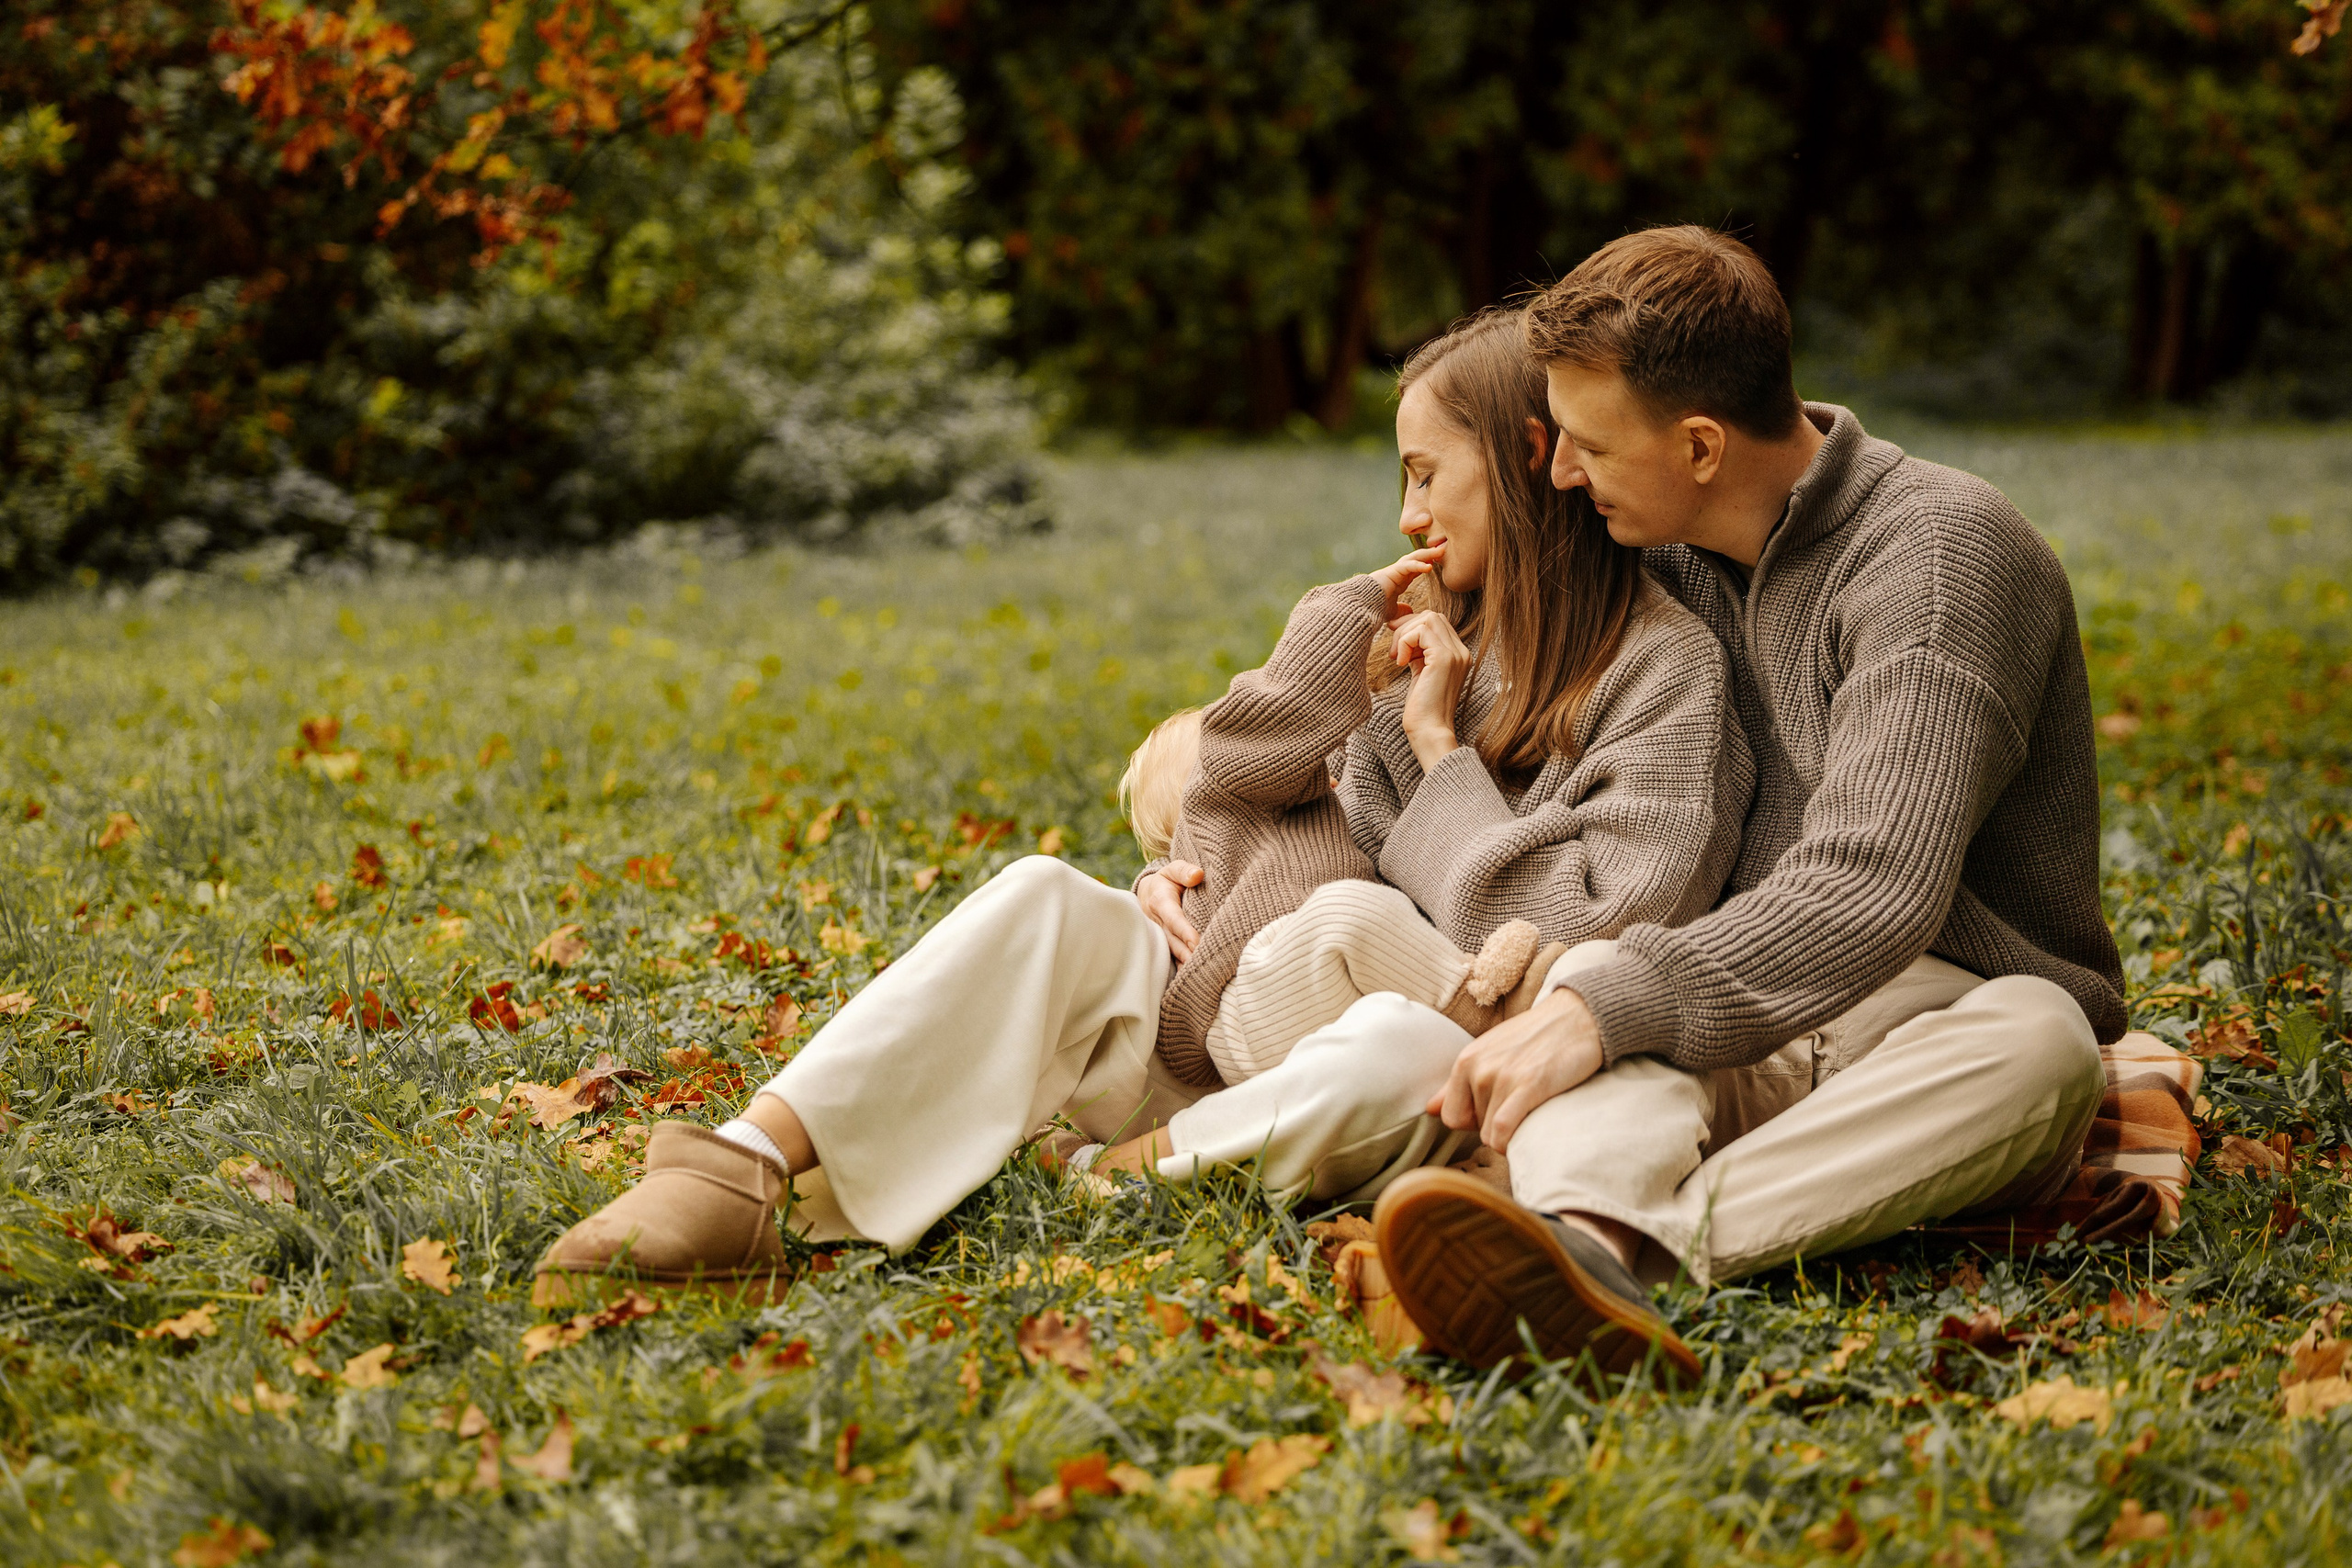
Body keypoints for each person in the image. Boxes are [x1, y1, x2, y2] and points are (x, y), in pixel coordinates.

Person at [528, 308, 1751, 1306]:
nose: (1407, 514)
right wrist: (1197, 839)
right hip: (1235, 1009)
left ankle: (1114, 1179)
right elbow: (1248, 785)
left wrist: (1437, 755)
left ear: (1533, 468)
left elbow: (1604, 934)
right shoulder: (1424, 637)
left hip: (1410, 1060)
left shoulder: (1665, 671)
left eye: (1429, 472)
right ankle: (745, 1165)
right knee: (1048, 896)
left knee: (1407, 1049)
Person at [1370, 228, 2124, 1381]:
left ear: (1702, 445)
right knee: (1591, 979)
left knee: (2043, 1044)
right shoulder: (1659, 556)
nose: (1561, 476)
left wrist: (1609, 1008)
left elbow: (1877, 889)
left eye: (1586, 446)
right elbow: (1477, 721)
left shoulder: (1935, 560)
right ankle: (1579, 1245)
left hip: (1918, 1018)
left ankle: (1619, 1255)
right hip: (1724, 1012)